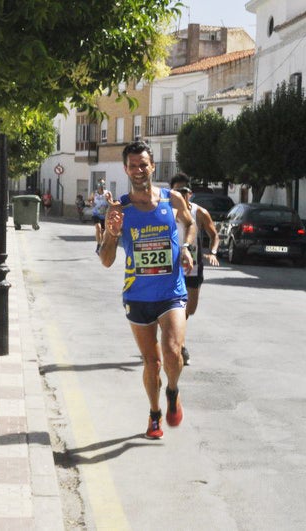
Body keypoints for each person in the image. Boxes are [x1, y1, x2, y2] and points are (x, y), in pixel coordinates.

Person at [99, 141, 196, 440]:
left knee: (172, 351)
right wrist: (112, 234)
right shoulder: (119, 209)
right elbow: (106, 259)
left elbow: (190, 224)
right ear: (126, 170)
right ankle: (155, 413)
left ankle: (173, 390)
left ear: (152, 166)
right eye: (133, 166)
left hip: (172, 291)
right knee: (151, 362)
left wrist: (187, 247)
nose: (139, 170)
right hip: (137, 296)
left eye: (143, 164)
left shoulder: (173, 199)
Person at [169, 173, 220, 366]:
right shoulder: (164, 210)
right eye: (176, 191)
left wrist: (213, 251)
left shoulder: (199, 212)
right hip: (170, 267)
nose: (181, 195)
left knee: (189, 309)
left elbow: (214, 234)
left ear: (190, 193)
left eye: (184, 191)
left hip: (193, 266)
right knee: (173, 309)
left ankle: (174, 336)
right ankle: (178, 344)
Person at [88, 181, 109, 254]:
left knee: (103, 231)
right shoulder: (94, 193)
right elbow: (90, 200)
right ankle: (99, 245)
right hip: (96, 214)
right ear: (98, 186)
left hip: (105, 215)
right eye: (100, 185)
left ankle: (100, 244)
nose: (102, 187)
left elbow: (111, 201)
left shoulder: (107, 193)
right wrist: (91, 203)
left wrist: (109, 203)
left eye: (103, 184)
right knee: (98, 227)